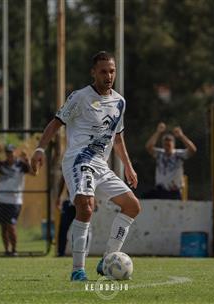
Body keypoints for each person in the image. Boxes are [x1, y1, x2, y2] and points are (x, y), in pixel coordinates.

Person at [31, 51, 141, 281]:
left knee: (132, 206)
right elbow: (55, 123)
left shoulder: (119, 101)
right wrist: (40, 149)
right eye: (103, 71)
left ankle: (108, 260)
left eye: (112, 71)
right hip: (79, 160)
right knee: (86, 207)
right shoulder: (80, 97)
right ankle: (77, 270)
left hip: (101, 165)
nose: (108, 75)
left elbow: (117, 137)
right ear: (93, 72)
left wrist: (128, 167)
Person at [0, 143, 31, 256]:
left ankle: (14, 249)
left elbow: (33, 172)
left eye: (11, 152)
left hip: (14, 200)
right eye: (7, 152)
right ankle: (7, 250)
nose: (9, 154)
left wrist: (27, 159)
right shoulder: (1, 164)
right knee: (3, 227)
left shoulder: (21, 165)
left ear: (15, 152)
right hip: (0, 199)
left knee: (11, 225)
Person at [143, 122, 197, 200]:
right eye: (165, 144)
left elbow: (193, 150)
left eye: (169, 144)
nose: (167, 147)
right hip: (160, 190)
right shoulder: (160, 153)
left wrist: (181, 136)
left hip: (174, 191)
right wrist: (158, 132)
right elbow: (148, 147)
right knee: (144, 198)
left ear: (173, 144)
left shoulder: (178, 154)